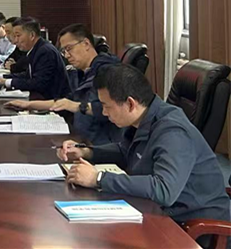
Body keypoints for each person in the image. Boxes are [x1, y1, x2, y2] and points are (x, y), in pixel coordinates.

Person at [60, 64, 230, 242]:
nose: (103, 112)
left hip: (197, 231)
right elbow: (126, 151)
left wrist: (99, 178)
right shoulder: (143, 119)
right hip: (162, 214)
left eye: (106, 106)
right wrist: (86, 152)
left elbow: (164, 190)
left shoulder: (173, 131)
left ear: (130, 103)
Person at [6, 24, 121, 144]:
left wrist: (76, 106)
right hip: (80, 137)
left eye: (69, 48)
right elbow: (66, 102)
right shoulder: (83, 72)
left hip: (98, 143)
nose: (66, 55)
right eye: (63, 51)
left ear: (86, 44)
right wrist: (29, 105)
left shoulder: (108, 71)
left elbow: (112, 109)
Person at [0, 17, 69, 99]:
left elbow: (38, 83)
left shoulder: (45, 51)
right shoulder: (36, 49)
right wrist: (0, 76)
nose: (15, 40)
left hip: (53, 102)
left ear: (32, 35)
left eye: (18, 36)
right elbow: (27, 75)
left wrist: (6, 82)